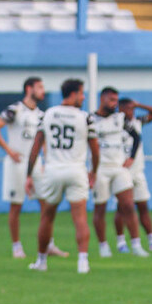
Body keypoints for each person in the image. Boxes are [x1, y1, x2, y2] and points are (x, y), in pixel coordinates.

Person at [0, 77, 68, 259]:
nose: (43, 91)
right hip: (16, 163)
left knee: (46, 203)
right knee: (16, 205)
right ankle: (17, 247)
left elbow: (43, 141)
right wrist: (9, 150)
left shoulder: (41, 115)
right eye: (39, 87)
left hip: (35, 163)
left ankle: (48, 244)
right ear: (29, 89)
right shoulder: (15, 110)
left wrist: (46, 161)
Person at [26, 79, 99, 274]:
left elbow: (35, 146)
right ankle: (83, 262)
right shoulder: (85, 117)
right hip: (76, 170)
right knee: (80, 217)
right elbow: (95, 149)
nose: (83, 97)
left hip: (53, 170)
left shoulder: (47, 114)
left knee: (47, 217)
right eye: (82, 93)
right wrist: (94, 171)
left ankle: (41, 261)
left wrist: (28, 174)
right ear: (73, 94)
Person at [91, 87, 149, 258]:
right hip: (101, 169)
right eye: (111, 100)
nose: (114, 104)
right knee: (100, 209)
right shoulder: (91, 119)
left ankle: (136, 245)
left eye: (116, 100)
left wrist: (131, 157)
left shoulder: (120, 119)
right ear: (102, 99)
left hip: (119, 168)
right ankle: (103, 246)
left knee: (128, 206)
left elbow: (136, 137)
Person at [114, 98, 152, 252]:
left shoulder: (138, 122)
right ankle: (121, 243)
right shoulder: (115, 125)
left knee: (143, 206)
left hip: (138, 171)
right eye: (127, 108)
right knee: (122, 208)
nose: (130, 112)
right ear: (120, 109)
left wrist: (139, 105)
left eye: (132, 109)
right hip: (123, 171)